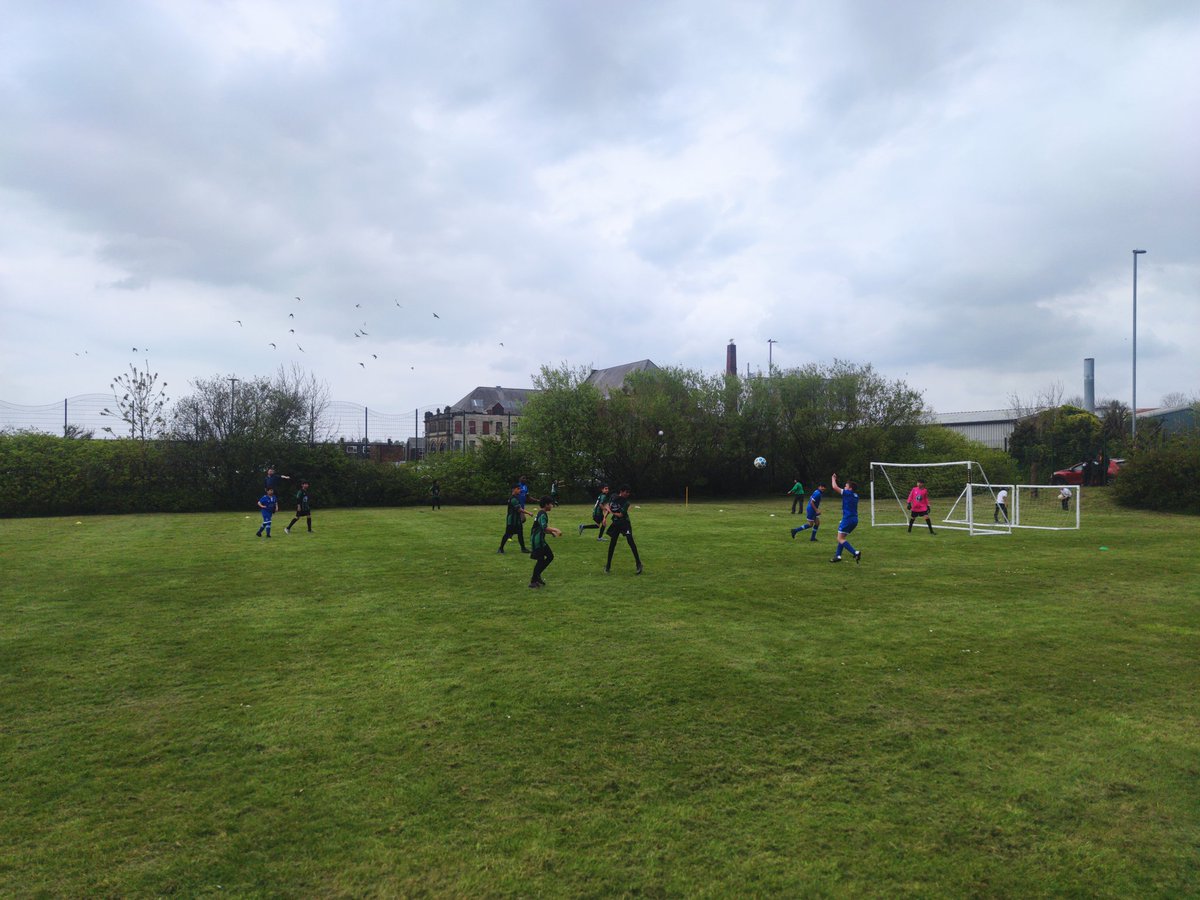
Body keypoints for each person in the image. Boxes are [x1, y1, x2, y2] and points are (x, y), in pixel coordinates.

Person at [604, 485, 643, 575]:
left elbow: (620, 515)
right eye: (626, 492)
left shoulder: (626, 503)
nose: (628, 494)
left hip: (625, 524)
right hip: (616, 524)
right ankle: (608, 566)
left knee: (631, 542)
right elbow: (608, 505)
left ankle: (639, 564)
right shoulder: (613, 497)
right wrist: (604, 518)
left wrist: (610, 511)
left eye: (629, 492)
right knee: (612, 544)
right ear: (621, 491)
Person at [528, 495, 563, 588]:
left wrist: (551, 533)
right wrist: (555, 529)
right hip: (538, 541)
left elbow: (542, 529)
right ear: (546, 504)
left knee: (547, 557)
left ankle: (536, 577)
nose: (552, 506)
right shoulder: (542, 514)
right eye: (551, 504)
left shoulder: (541, 513)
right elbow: (544, 527)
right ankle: (533, 581)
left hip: (538, 539)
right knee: (543, 559)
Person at [829, 473, 862, 564]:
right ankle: (838, 556)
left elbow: (835, 487)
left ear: (850, 488)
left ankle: (855, 552)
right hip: (854, 519)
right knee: (842, 537)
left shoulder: (848, 493)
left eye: (846, 486)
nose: (844, 487)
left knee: (840, 539)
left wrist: (833, 479)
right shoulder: (856, 495)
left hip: (847, 519)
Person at [497, 485, 532, 554]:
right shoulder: (513, 499)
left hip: (517, 521)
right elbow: (519, 509)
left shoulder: (515, 498)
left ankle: (523, 548)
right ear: (514, 490)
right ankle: (500, 548)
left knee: (520, 534)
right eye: (518, 489)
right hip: (512, 521)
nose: (520, 490)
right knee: (507, 534)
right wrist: (528, 513)